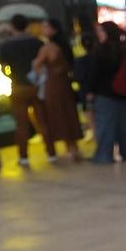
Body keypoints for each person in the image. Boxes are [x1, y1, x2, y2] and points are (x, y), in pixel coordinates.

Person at [85, 21, 126, 164]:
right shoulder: (124, 48)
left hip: (105, 92)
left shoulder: (102, 50)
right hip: (123, 91)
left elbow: (95, 73)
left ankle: (104, 156)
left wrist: (89, 90)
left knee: (105, 125)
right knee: (125, 125)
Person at [0, 14, 47, 168]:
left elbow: (4, 69)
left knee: (21, 124)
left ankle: (24, 156)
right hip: (36, 85)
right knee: (42, 120)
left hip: (17, 86)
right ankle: (51, 152)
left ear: (12, 26)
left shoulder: (5, 46)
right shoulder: (37, 43)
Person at [34, 19, 84, 163]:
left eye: (45, 26)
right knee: (69, 113)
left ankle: (69, 148)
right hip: (65, 83)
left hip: (53, 84)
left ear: (53, 29)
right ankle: (75, 147)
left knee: (59, 114)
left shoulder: (48, 47)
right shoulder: (64, 46)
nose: (42, 29)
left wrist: (43, 75)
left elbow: (37, 64)